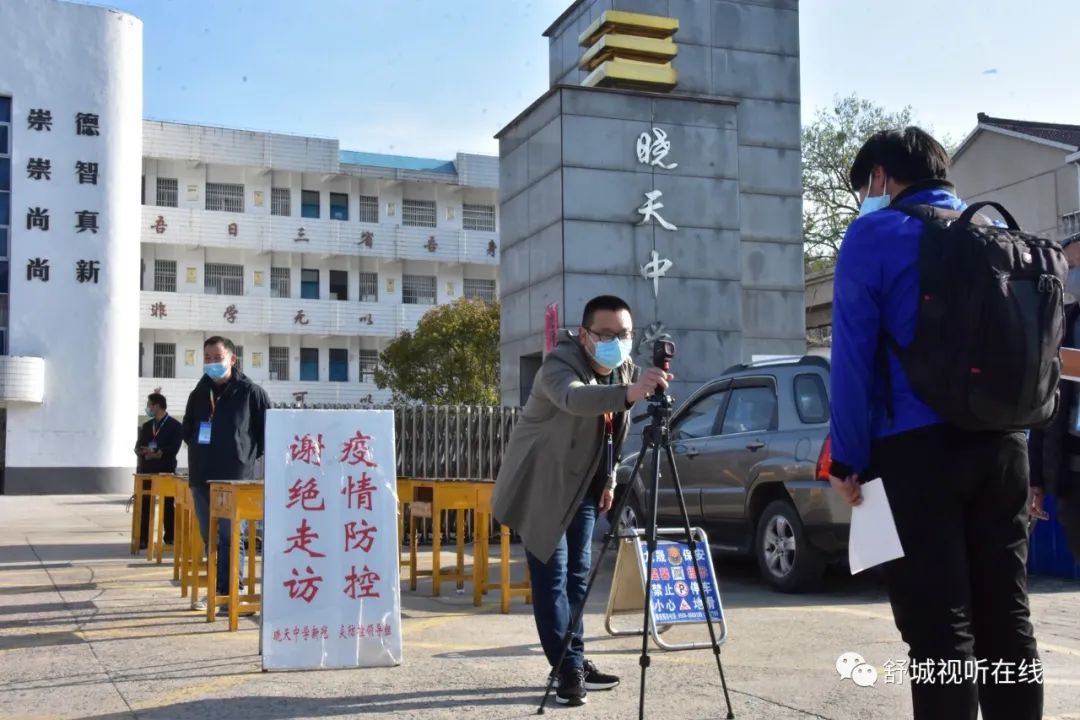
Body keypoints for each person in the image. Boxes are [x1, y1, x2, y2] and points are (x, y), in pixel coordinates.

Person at [828, 127, 1043, 720]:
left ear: (880, 178)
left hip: (917, 451)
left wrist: (847, 458)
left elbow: (850, 355)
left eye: (864, 186)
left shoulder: (872, 234)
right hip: (1003, 446)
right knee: (1007, 615)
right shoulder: (996, 233)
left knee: (939, 625)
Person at [492, 295, 671, 707]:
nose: (615, 342)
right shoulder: (559, 364)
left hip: (587, 486)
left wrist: (609, 478)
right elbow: (574, 399)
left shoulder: (623, 368)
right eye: (605, 334)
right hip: (543, 487)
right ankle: (568, 670)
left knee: (577, 578)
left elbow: (615, 431)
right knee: (552, 579)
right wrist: (631, 391)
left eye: (623, 334)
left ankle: (573, 658)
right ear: (585, 335)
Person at [182, 336, 270, 612]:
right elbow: (188, 430)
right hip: (202, 476)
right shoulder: (199, 393)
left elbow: (268, 432)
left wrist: (243, 457)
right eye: (207, 358)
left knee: (231, 536)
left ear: (232, 359)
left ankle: (232, 592)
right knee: (211, 538)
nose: (212, 363)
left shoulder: (250, 392)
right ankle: (217, 591)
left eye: (217, 357)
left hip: (235, 478)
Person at [1028, 231, 1080, 564]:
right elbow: (1047, 405)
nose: (1074, 273)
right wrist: (1037, 479)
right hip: (1072, 478)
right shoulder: (1063, 326)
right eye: (1070, 265)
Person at [134, 392, 183, 547]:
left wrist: (158, 453)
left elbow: (173, 449)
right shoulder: (148, 426)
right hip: (147, 471)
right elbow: (137, 447)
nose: (148, 408)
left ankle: (170, 537)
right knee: (145, 504)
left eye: (149, 405)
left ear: (157, 406)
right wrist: (143, 452)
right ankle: (143, 539)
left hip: (165, 471)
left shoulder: (175, 426)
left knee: (168, 505)